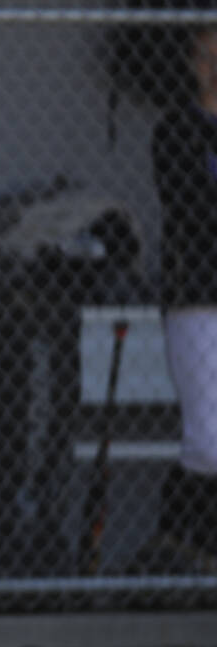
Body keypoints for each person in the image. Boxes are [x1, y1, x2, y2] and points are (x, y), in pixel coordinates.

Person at [139, 24, 217, 572]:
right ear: (192, 64)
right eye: (207, 57)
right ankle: (175, 542)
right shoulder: (178, 130)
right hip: (199, 298)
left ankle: (189, 546)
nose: (214, 67)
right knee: (208, 439)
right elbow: (194, 208)